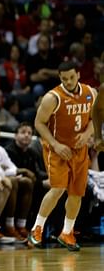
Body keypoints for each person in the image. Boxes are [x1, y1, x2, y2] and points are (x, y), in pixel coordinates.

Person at [29, 61, 96, 251]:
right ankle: (36, 229)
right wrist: (56, 145)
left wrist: (87, 134)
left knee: (77, 193)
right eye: (64, 78)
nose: (68, 81)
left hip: (79, 149)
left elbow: (95, 118)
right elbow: (39, 123)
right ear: (59, 78)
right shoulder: (52, 98)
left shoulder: (91, 93)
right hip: (57, 149)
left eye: (71, 77)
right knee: (58, 189)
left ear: (79, 75)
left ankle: (67, 233)